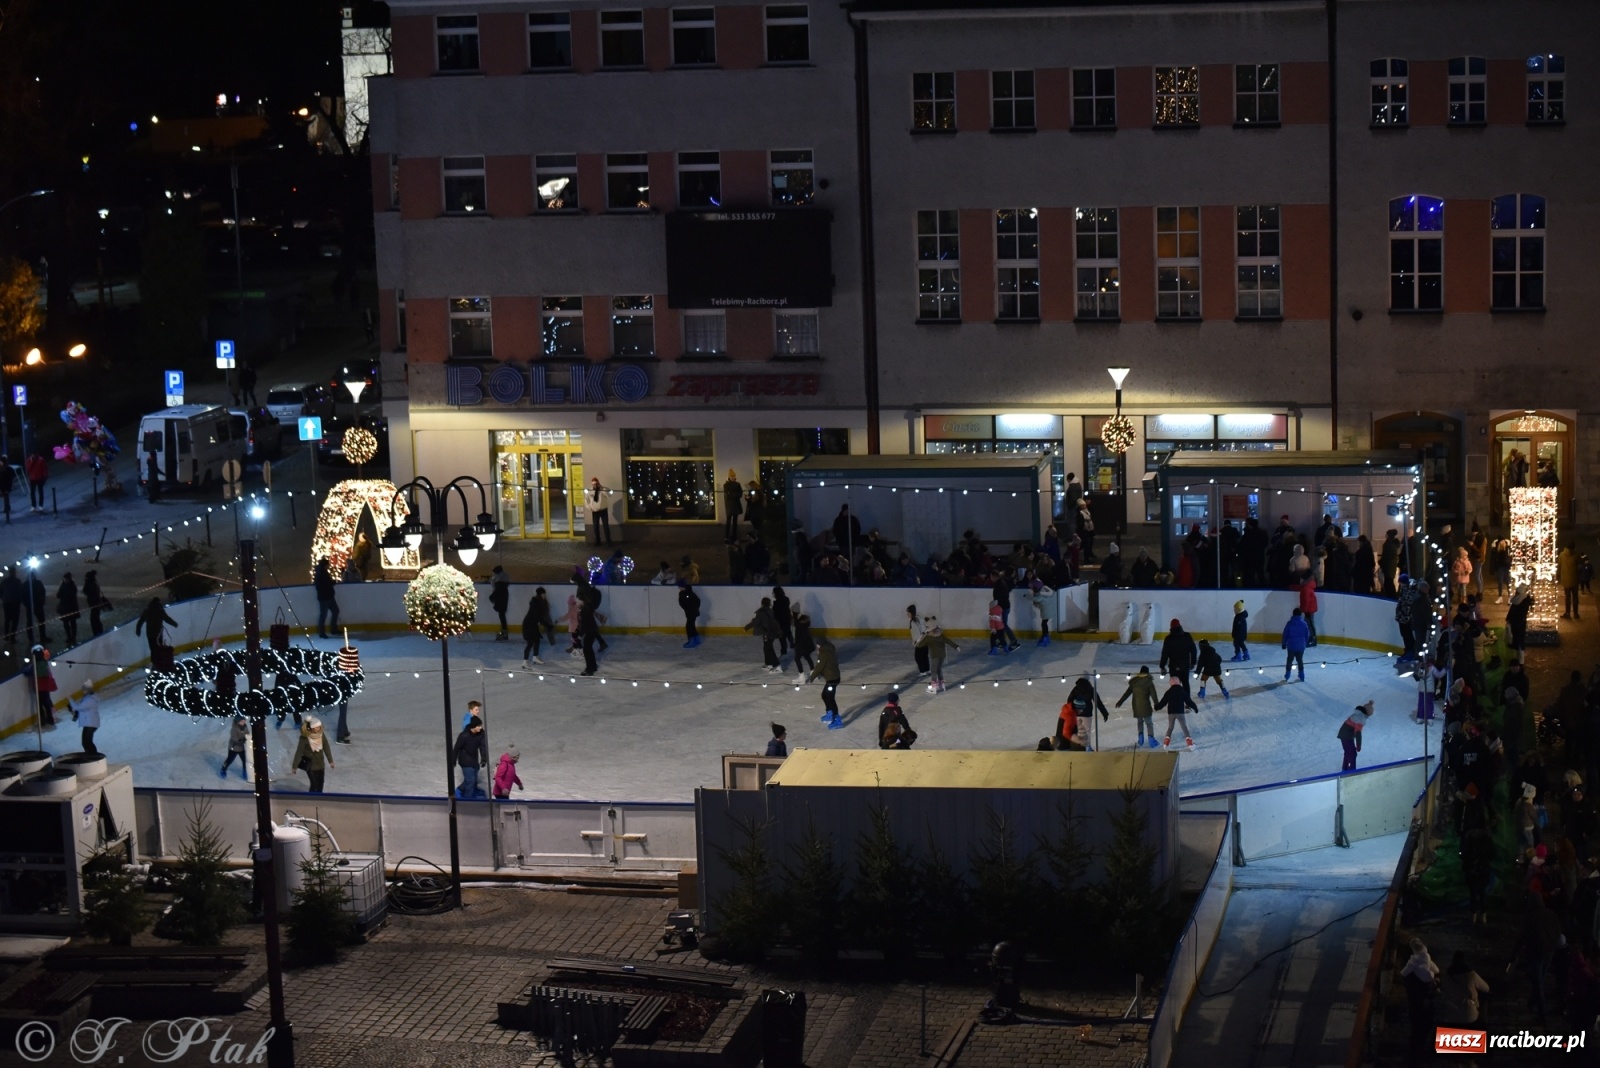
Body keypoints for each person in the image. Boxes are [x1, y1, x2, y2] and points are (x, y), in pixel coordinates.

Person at [1399, 937, 1439, 1063]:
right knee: (1425, 1028)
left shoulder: (1412, 966)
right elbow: (1436, 970)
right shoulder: (1427, 959)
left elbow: (1404, 974)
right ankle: (1421, 1051)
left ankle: (1414, 1054)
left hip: (1417, 1004)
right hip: (1427, 1004)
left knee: (1416, 1029)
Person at [1059, 678, 1109, 751]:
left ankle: (1077, 746)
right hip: (1087, 713)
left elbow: (1069, 700)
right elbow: (1097, 701)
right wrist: (1104, 713)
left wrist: (1072, 709)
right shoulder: (1090, 689)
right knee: (1086, 731)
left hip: (1076, 713)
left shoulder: (1076, 688)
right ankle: (1087, 747)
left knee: (1077, 730)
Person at [1116, 666, 1161, 749]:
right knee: (1149, 723)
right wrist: (1156, 704)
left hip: (1136, 705)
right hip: (1145, 705)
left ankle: (1140, 739)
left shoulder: (1134, 681)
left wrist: (1120, 701)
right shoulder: (1149, 682)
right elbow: (1153, 694)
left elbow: (1127, 693)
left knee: (1140, 722)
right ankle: (1151, 741)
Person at [916, 615, 959, 695]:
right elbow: (948, 641)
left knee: (933, 670)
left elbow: (919, 645)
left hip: (935, 655)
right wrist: (956, 646)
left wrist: (922, 637)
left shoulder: (928, 637)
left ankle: (934, 688)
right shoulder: (940, 634)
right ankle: (942, 686)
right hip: (942, 655)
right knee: (939, 669)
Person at [1159, 618, 1198, 700]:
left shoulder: (1168, 639)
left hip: (1173, 666)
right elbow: (1193, 650)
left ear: (1171, 627)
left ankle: (1176, 701)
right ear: (1180, 626)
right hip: (1184, 665)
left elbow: (1165, 653)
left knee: (1175, 685)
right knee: (1185, 683)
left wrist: (1162, 666)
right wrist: (1193, 662)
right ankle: (1187, 702)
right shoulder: (1187, 636)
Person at [292, 716, 333, 794]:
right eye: (317, 727)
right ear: (311, 728)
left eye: (319, 727)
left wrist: (330, 761)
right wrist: (294, 766)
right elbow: (299, 752)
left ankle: (319, 799)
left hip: (320, 764)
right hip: (311, 766)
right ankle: (311, 799)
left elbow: (326, 747)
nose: (319, 729)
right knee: (314, 785)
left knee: (320, 785)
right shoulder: (304, 738)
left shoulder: (321, 735)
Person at [810, 634, 843, 729]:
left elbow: (819, 667)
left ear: (819, 644)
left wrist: (812, 677)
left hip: (832, 679)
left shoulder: (823, 653)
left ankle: (837, 720)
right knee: (825, 695)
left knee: (830, 698)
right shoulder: (829, 647)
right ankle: (830, 713)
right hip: (834, 677)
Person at [1154, 676, 1197, 748]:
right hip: (1180, 712)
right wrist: (1195, 707)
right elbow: (1188, 701)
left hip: (1171, 713)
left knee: (1170, 727)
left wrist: (1157, 707)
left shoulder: (1169, 692)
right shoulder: (1182, 691)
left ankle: (1166, 743)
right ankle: (1190, 744)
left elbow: (1163, 702)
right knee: (1184, 727)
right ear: (1179, 682)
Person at [454, 715, 488, 799]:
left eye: (481, 726)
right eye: (478, 726)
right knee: (471, 782)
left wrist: (484, 759)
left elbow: (483, 746)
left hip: (474, 760)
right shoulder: (464, 735)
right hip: (465, 761)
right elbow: (456, 748)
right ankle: (468, 800)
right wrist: (453, 760)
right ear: (473, 726)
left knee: (472, 780)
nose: (480, 728)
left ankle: (459, 790)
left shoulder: (481, 733)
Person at [744, 596, 781, 672]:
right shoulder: (770, 611)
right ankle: (769, 664)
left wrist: (747, 627)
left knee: (769, 649)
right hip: (772, 632)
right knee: (766, 648)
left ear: (762, 603)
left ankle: (777, 666)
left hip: (767, 633)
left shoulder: (761, 612)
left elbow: (756, 622)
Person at [522, 587, 554, 665]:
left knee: (537, 640)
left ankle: (535, 657)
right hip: (528, 625)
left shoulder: (540, 602)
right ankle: (525, 661)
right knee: (530, 643)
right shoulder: (535, 603)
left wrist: (547, 624)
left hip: (533, 624)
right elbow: (538, 617)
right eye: (543, 594)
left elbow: (541, 616)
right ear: (540, 594)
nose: (545, 596)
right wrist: (547, 625)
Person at [1338, 701, 1374, 771]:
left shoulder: (1358, 715)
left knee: (1348, 752)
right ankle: (1351, 770)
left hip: (1344, 734)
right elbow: (1358, 733)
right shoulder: (1361, 718)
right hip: (1347, 735)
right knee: (1352, 754)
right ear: (1367, 712)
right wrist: (1358, 746)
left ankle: (1345, 769)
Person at [68, 681, 100, 755]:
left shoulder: (89, 700)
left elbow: (78, 707)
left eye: (83, 689)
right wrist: (75, 714)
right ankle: (92, 755)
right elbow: (82, 709)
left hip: (90, 724)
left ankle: (93, 756)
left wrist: (70, 699)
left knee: (86, 742)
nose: (82, 691)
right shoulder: (89, 698)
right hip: (90, 723)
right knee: (87, 742)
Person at [1282, 607, 1311, 683]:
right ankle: (1302, 675)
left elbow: (1285, 634)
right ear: (1300, 614)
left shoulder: (1289, 623)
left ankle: (1287, 674)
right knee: (1300, 660)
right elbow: (1307, 634)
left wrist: (1284, 643)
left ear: (1293, 614)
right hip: (1301, 646)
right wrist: (1304, 642)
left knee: (1289, 660)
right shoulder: (1304, 623)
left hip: (1291, 646)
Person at [313, 557, 339, 637]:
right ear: (325, 565)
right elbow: (324, 584)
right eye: (328, 564)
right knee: (324, 614)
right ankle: (323, 632)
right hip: (325, 597)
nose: (329, 566)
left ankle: (332, 630)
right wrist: (332, 583)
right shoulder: (321, 573)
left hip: (328, 596)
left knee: (335, 611)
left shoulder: (322, 572)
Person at [585, 477, 614, 546]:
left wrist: (602, 488)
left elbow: (609, 495)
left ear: (598, 483)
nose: (594, 485)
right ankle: (597, 541)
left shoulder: (602, 490)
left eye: (596, 484)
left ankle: (608, 541)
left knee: (606, 526)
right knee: (596, 527)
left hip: (603, 510)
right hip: (595, 511)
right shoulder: (590, 491)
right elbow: (586, 500)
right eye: (593, 484)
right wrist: (590, 507)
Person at [81, 570, 108, 638]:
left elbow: (85, 591)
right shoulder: (94, 583)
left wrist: (86, 582)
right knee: (96, 619)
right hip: (97, 604)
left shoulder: (90, 584)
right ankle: (99, 632)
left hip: (94, 605)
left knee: (94, 620)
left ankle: (97, 633)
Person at [220, 715, 249, 780]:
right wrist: (242, 740)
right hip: (233, 747)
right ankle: (223, 769)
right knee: (230, 760)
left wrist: (248, 738)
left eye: (244, 721)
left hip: (241, 747)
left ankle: (245, 771)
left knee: (245, 760)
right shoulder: (234, 729)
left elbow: (247, 733)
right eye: (242, 721)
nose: (243, 722)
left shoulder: (245, 727)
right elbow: (235, 738)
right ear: (238, 722)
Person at [55, 572, 79, 647]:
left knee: (71, 623)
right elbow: (58, 595)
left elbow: (60, 595)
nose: (65, 580)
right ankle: (70, 636)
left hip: (69, 607)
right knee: (68, 623)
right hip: (67, 607)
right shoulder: (70, 585)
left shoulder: (69, 586)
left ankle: (72, 637)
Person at [676, 581, 702, 649]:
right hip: (690, 612)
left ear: (683, 586)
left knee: (689, 627)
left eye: (680, 586)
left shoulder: (687, 593)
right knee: (691, 626)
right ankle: (696, 639)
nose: (679, 588)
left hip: (691, 613)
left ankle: (692, 641)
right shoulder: (685, 593)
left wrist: (692, 608)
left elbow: (696, 601)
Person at [1558, 543, 1581, 620]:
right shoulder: (1576, 555)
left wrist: (1558, 576)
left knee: (1567, 597)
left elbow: (1559, 566)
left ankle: (1567, 613)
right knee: (1575, 597)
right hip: (1574, 579)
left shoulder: (1561, 555)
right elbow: (1580, 564)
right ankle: (1575, 613)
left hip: (1565, 580)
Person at [489, 565, 511, 641]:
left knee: (502, 615)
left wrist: (492, 597)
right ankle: (504, 632)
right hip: (503, 598)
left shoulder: (500, 582)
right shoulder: (503, 580)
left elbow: (498, 590)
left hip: (501, 599)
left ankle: (504, 633)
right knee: (502, 615)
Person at [907, 604, 929, 676]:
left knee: (919, 657)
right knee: (924, 656)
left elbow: (917, 633)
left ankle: (923, 671)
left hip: (920, 641)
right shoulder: (918, 619)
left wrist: (916, 641)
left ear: (912, 613)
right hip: (925, 640)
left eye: (908, 612)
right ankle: (927, 670)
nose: (907, 614)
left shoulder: (914, 622)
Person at [0, 567, 21, 644]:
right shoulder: (17, 581)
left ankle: (6, 636)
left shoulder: (4, 581)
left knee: (7, 620)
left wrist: (3, 598)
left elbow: (0, 591)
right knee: (15, 620)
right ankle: (12, 637)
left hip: (7, 602)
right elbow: (20, 592)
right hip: (15, 602)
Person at [722, 470, 744, 542]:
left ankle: (733, 535)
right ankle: (727, 536)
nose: (733, 477)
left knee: (735, 521)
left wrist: (733, 494)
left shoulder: (737, 484)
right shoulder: (726, 485)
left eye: (733, 476)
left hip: (735, 504)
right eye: (731, 476)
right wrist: (735, 495)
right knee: (728, 521)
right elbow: (728, 495)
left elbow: (740, 493)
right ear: (729, 477)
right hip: (730, 505)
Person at [28, 571, 47, 643]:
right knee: (32, 622)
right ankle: (32, 638)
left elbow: (43, 592)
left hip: (37, 605)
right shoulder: (36, 583)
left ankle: (41, 636)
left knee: (40, 621)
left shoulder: (29, 584)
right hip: (34, 605)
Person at [1075, 497, 1095, 562]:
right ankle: (1086, 559)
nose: (1084, 506)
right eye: (1082, 506)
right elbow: (1080, 523)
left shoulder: (1087, 512)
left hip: (1089, 531)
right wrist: (1083, 527)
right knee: (1085, 545)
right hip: (1084, 532)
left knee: (1087, 544)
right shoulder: (1080, 514)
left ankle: (1087, 557)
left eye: (1084, 505)